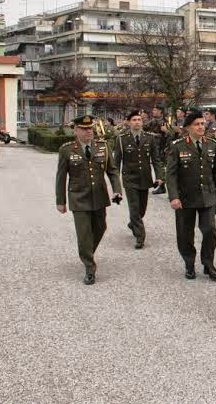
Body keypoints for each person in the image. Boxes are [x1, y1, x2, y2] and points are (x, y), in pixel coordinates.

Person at [55, 115, 122, 284]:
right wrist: (60, 201)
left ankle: (86, 253)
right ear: (76, 130)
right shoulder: (67, 149)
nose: (88, 132)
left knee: (100, 227)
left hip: (99, 196)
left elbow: (112, 171)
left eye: (90, 128)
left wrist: (117, 190)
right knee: (84, 234)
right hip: (78, 197)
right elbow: (61, 177)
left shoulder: (103, 147)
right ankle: (89, 267)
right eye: (84, 129)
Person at [166, 110, 216, 280]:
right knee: (185, 233)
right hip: (185, 198)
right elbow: (171, 174)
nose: (201, 126)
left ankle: (208, 264)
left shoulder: (212, 144)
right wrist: (174, 197)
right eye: (197, 124)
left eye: (202, 123)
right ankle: (189, 263)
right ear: (188, 128)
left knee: (210, 231)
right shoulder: (177, 146)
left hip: (207, 196)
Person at [114, 110, 164, 249]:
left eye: (139, 120)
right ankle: (140, 236)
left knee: (142, 209)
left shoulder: (149, 138)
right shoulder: (121, 138)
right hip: (129, 178)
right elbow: (116, 163)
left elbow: (156, 159)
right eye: (134, 120)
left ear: (142, 122)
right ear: (129, 122)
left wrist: (159, 176)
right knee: (134, 208)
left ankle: (133, 223)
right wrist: (116, 185)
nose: (137, 122)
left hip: (145, 178)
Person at [146, 104, 169, 194]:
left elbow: (166, 135)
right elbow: (144, 127)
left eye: (155, 110)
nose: (153, 111)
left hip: (161, 147)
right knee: (157, 166)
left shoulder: (164, 122)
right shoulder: (153, 121)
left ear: (160, 112)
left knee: (160, 167)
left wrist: (153, 135)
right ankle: (159, 184)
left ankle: (162, 186)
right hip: (154, 146)